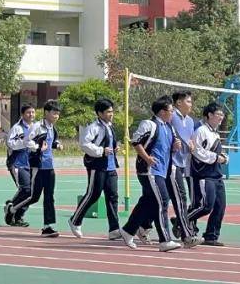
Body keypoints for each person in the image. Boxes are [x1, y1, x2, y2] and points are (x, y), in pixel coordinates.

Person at [119, 95, 181, 252]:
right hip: (149, 171)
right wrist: (147, 158)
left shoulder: (170, 128)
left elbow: (167, 148)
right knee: (163, 200)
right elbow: (135, 141)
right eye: (171, 110)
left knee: (148, 202)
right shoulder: (149, 124)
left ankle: (128, 230)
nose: (173, 113)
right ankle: (165, 240)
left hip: (162, 171)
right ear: (162, 112)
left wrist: (175, 147)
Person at [68, 98, 121, 240]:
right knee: (93, 194)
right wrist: (101, 151)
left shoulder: (109, 126)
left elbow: (109, 143)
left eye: (112, 111)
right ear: (100, 113)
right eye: (108, 112)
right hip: (97, 166)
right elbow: (84, 144)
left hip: (110, 167)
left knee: (113, 197)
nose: (111, 114)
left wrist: (114, 148)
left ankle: (114, 229)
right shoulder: (94, 127)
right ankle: (75, 220)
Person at [13, 101, 64, 237]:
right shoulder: (37, 126)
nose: (56, 116)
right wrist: (37, 147)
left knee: (49, 197)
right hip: (38, 166)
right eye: (54, 113)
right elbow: (27, 141)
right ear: (46, 113)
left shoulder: (52, 128)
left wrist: (57, 145)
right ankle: (13, 208)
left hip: (49, 167)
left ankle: (48, 227)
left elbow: (51, 142)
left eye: (58, 114)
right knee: (34, 197)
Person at [186, 103, 229, 247]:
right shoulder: (201, 131)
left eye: (222, 115)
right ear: (209, 115)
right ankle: (182, 220)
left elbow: (216, 152)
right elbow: (197, 151)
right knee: (206, 206)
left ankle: (211, 235)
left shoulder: (215, 133)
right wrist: (216, 158)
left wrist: (224, 157)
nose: (221, 117)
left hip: (216, 175)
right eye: (218, 114)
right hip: (204, 174)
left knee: (220, 206)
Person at [169, 91, 199, 242]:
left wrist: (192, 144)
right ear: (179, 102)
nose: (190, 104)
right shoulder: (171, 116)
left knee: (160, 198)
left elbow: (190, 138)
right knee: (181, 197)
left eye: (191, 101)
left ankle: (137, 225)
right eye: (188, 101)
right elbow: (176, 135)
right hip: (171, 163)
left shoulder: (190, 121)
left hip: (182, 163)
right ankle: (186, 234)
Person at [4, 104, 39, 227]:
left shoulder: (36, 128)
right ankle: (13, 211)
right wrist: (25, 143)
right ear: (22, 114)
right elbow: (10, 143)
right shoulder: (17, 128)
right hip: (18, 163)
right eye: (28, 112)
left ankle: (15, 212)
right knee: (26, 189)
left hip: (32, 164)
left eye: (33, 112)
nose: (31, 115)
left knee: (32, 192)